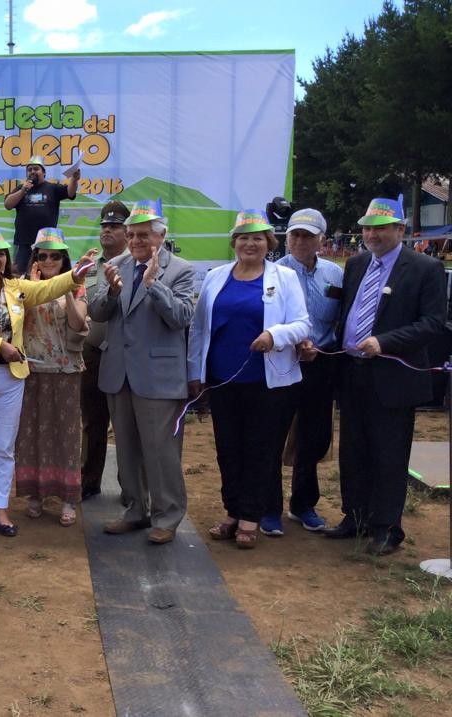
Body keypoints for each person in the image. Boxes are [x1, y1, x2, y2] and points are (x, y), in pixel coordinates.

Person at [0, 227, 94, 536]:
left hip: (11, 380)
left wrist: (75, 274)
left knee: (2, 448)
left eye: (0, 253)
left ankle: (0, 510)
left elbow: (49, 288)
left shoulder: (16, 287)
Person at [326, 196, 446, 555]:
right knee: (353, 450)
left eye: (380, 228)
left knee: (389, 454)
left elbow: (432, 323)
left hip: (393, 377)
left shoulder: (426, 268)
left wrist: (385, 341)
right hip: (353, 372)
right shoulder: (358, 263)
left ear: (400, 229)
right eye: (367, 227)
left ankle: (387, 528)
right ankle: (355, 517)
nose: (372, 234)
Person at [187, 209, 310, 549]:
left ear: (269, 242)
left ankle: (250, 517)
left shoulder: (283, 277)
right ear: (234, 243)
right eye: (243, 238)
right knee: (228, 449)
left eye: (257, 238)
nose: (250, 243)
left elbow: (303, 324)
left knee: (260, 449)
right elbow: (199, 328)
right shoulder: (216, 277)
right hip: (223, 380)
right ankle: (232, 510)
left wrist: (275, 334)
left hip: (269, 381)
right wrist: (195, 372)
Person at [91, 199, 194, 544]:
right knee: (127, 449)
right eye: (132, 234)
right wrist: (111, 290)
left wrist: (154, 285)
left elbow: (181, 317)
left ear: (161, 236)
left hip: (159, 376)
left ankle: (167, 516)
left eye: (144, 235)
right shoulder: (115, 265)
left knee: (161, 451)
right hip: (118, 372)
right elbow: (98, 314)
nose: (137, 241)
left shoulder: (180, 270)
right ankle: (136, 509)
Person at [267, 209, 343, 534]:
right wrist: (295, 343)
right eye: (295, 234)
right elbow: (267, 322)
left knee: (314, 436)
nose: (300, 241)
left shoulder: (335, 276)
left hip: (321, 364)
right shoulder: (273, 274)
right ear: (286, 238)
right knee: (273, 434)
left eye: (308, 235)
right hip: (283, 362)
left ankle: (303, 504)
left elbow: (342, 317)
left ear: (321, 241)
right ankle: (268, 508)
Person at [15, 227, 90, 527]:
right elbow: (19, 316)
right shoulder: (21, 285)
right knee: (32, 433)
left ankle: (68, 497)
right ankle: (35, 493)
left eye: (54, 257)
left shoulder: (78, 286)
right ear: (34, 258)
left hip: (66, 369)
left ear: (63, 260)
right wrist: (34, 285)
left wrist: (67, 290)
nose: (48, 261)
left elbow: (77, 322)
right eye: (42, 255)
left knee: (66, 433)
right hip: (32, 369)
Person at [80, 201, 130, 500]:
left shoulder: (135, 264)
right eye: (104, 226)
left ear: (127, 232)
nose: (107, 231)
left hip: (124, 355)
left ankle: (130, 486)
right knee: (91, 421)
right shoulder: (89, 264)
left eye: (114, 226)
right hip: (93, 351)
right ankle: (88, 481)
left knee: (125, 425)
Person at [4, 156, 79, 275]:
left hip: (47, 244)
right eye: (29, 170)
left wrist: (74, 180)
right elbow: (8, 204)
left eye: (36, 169)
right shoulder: (21, 189)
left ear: (43, 172)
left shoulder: (52, 188)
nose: (32, 172)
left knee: (47, 276)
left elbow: (70, 192)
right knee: (18, 275)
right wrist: (23, 190)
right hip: (24, 243)